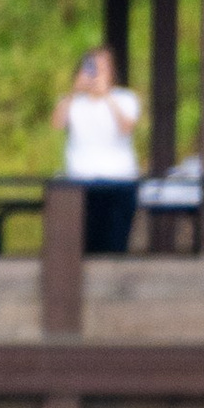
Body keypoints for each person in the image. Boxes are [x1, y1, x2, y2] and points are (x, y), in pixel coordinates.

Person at [56, 46, 140, 255]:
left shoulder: (125, 98)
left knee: (114, 242)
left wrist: (107, 97)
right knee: (84, 243)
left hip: (118, 180)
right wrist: (75, 91)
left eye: (103, 68)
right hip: (81, 180)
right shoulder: (73, 102)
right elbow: (57, 123)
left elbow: (126, 127)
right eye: (93, 67)